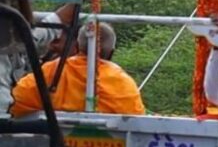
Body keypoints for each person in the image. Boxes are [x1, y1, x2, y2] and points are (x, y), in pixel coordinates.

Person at [9, 22, 145, 117]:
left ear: (78, 46)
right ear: (111, 53)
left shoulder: (51, 71)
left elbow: (14, 104)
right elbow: (136, 120)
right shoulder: (123, 82)